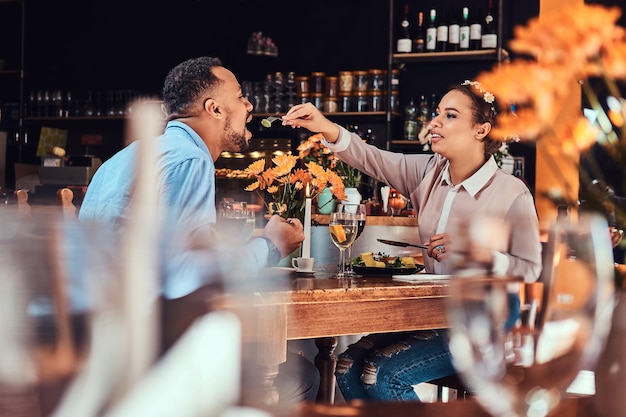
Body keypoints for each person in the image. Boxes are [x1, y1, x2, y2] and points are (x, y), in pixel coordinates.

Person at [281, 81, 543, 401]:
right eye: (436, 114)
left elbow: (531, 269)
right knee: (347, 366)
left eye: (450, 116)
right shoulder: (427, 172)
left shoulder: (512, 192)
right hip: (430, 313)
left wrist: (481, 253)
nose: (434, 122)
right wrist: (323, 126)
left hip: (484, 322)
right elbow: (371, 158)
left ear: (481, 130)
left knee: (380, 374)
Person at [78, 56, 319, 403]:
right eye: (240, 96)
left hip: (96, 346)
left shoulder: (127, 156)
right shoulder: (191, 159)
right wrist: (270, 246)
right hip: (143, 354)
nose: (250, 105)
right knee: (301, 375)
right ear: (215, 109)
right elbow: (183, 274)